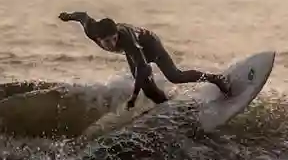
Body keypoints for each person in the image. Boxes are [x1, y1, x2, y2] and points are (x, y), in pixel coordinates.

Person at [58, 11, 232, 108]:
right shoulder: (91, 30)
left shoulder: (125, 40)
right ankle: (168, 107)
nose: (111, 44)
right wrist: (68, 16)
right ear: (98, 38)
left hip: (149, 43)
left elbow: (143, 68)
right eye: (107, 41)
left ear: (117, 35)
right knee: (149, 90)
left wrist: (133, 97)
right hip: (132, 50)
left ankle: (216, 79)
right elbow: (83, 16)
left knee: (174, 76)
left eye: (114, 39)